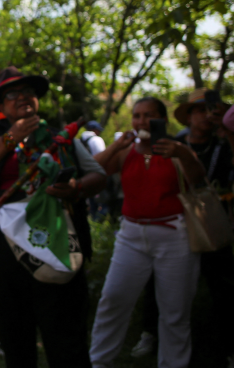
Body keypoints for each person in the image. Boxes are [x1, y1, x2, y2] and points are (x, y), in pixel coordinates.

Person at [0, 66, 106, 367]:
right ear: (0, 107)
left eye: (28, 92)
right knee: (14, 336)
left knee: (66, 336)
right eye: (11, 95)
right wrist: (11, 137)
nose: (22, 98)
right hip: (1, 249)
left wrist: (75, 188)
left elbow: (98, 177)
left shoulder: (61, 137)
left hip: (58, 241)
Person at [89, 96, 206, 368]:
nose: (142, 121)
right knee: (113, 299)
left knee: (175, 310)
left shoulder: (178, 149)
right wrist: (117, 144)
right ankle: (98, 362)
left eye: (149, 115)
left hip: (174, 235)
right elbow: (94, 170)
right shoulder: (124, 151)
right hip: (131, 235)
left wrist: (182, 153)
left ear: (162, 120)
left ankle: (173, 363)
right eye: (137, 115)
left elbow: (198, 181)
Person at [131, 88, 234, 366]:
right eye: (198, 110)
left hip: (212, 221)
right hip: (175, 224)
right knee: (157, 281)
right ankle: (150, 332)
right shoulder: (172, 143)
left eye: (209, 110)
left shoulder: (223, 146)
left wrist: (227, 130)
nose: (204, 116)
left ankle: (227, 345)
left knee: (221, 282)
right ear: (187, 117)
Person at [81, 121, 108, 220]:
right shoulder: (96, 140)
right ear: (95, 130)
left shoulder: (81, 140)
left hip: (85, 175)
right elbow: (103, 156)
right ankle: (99, 221)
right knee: (104, 201)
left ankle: (93, 219)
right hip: (97, 174)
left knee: (91, 201)